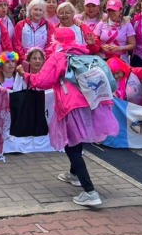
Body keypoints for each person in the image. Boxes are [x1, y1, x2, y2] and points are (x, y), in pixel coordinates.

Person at [19, 28, 119, 207]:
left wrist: (25, 74)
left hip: (71, 105)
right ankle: (74, 174)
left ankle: (90, 191)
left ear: (55, 40)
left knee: (71, 144)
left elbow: (41, 81)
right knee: (75, 140)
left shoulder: (58, 57)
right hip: (90, 102)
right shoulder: (85, 53)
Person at [94, 0, 136, 64]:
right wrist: (101, 47)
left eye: (113, 10)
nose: (111, 13)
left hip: (121, 60)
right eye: (109, 10)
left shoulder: (127, 24)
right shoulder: (102, 23)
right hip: (103, 60)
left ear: (120, 10)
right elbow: (94, 40)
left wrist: (119, 48)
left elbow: (132, 44)